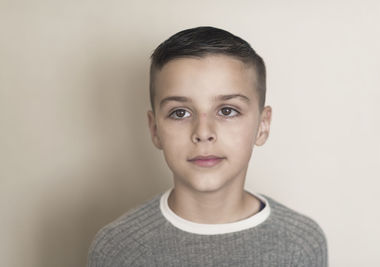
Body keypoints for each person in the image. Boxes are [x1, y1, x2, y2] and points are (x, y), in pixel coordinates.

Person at [87, 26, 328, 267]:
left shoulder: (300, 243)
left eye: (227, 111)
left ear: (262, 125)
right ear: (154, 129)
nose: (203, 133)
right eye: (179, 113)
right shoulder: (118, 247)